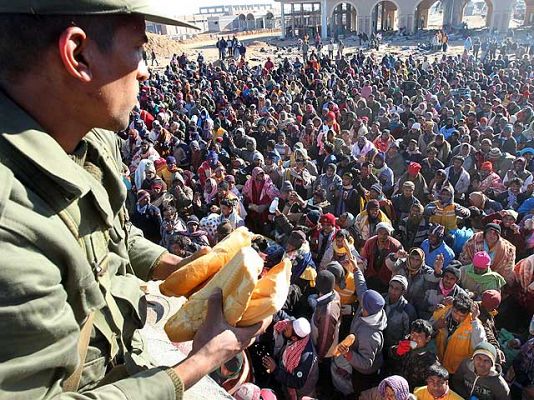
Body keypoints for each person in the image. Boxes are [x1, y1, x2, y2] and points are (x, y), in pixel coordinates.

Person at [0, 4, 271, 398]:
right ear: (79, 55)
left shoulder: (88, 138)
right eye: (138, 50)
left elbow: (116, 237)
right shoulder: (11, 223)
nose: (144, 71)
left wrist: (186, 268)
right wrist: (204, 359)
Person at [338, 266, 387, 397]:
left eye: (361, 301)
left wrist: (349, 355)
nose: (359, 299)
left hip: (365, 372)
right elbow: (362, 288)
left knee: (360, 390)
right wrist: (355, 270)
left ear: (366, 308)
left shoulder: (370, 335)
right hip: (357, 355)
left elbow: (366, 363)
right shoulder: (370, 308)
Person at [263, 318, 319, 400]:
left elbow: (297, 382)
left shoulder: (305, 358)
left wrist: (275, 369)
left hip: (300, 392)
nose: (285, 327)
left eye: (286, 330)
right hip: (286, 379)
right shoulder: (299, 336)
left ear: (294, 338)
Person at [431, 294, 487, 374]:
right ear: (452, 307)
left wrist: (475, 321)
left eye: (462, 316)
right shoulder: (442, 312)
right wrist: (435, 326)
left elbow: (480, 345)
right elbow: (426, 332)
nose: (457, 317)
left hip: (458, 371)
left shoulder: (474, 324)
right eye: (455, 312)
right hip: (438, 365)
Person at [389, 319, 438, 391]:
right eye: (413, 334)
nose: (414, 338)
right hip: (397, 383)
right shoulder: (406, 341)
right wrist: (396, 350)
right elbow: (390, 354)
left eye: (419, 336)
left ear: (427, 339)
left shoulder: (431, 360)